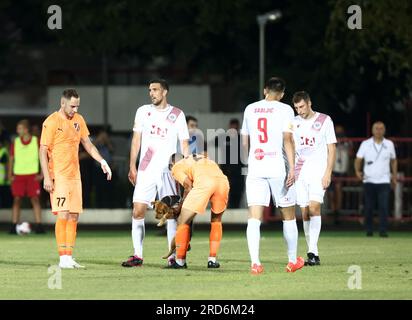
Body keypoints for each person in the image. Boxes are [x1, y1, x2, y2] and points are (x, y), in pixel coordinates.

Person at [39, 88, 112, 269]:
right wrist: (47, 177)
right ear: (62, 103)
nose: (75, 110)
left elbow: (87, 144)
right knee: (63, 214)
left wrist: (102, 161)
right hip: (59, 176)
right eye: (72, 106)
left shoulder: (79, 120)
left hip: (74, 176)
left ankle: (69, 256)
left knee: (73, 216)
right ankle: (62, 257)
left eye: (77, 106)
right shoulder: (51, 121)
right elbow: (42, 150)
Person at [121, 79, 189, 268]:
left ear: (165, 91)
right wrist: (132, 166)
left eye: (156, 90)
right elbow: (136, 140)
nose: (152, 93)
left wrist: (187, 168)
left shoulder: (177, 114)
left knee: (171, 213)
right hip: (146, 168)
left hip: (168, 171)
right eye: (150, 90)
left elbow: (184, 143)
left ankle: (172, 257)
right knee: (138, 210)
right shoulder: (143, 111)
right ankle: (137, 255)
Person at [241, 77, 303, 275]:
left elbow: (244, 142)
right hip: (277, 167)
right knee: (288, 215)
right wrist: (292, 168)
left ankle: (255, 264)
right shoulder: (285, 110)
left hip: (255, 168)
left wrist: (250, 161)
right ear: (283, 94)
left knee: (254, 217)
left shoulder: (250, 108)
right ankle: (292, 261)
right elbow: (288, 140)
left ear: (265, 90)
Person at [291, 91, 337, 266]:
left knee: (314, 208)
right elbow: (291, 146)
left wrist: (328, 173)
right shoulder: (294, 123)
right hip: (300, 171)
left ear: (309, 103)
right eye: (296, 108)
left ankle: (313, 250)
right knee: (304, 212)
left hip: (318, 171)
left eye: (301, 106)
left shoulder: (325, 120)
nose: (299, 111)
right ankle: (312, 253)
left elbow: (331, 148)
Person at [168, 152, 230, 269]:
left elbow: (188, 185)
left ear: (172, 163)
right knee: (216, 220)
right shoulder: (201, 156)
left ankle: (180, 261)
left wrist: (180, 206)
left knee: (182, 220)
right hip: (222, 182)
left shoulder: (176, 166)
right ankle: (212, 260)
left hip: (205, 182)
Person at [354, 121, 397, 237]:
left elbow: (393, 161)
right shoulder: (365, 143)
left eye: (381, 128)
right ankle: (369, 229)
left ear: (384, 130)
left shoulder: (389, 144)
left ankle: (383, 230)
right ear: (372, 130)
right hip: (369, 180)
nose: (379, 130)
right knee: (368, 207)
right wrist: (357, 171)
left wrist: (394, 176)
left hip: (384, 180)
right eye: (376, 128)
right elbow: (358, 159)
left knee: (384, 206)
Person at [8, 119, 44, 234]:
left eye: (19, 128)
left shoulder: (36, 141)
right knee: (17, 200)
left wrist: (43, 174)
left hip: (32, 175)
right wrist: (10, 174)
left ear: (26, 129)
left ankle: (39, 226)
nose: (17, 131)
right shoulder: (16, 142)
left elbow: (43, 158)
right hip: (18, 176)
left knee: (35, 200)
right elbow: (11, 160)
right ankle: (14, 226)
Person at [328, 124, 352, 224]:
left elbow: (351, 153)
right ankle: (333, 210)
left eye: (340, 131)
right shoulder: (329, 140)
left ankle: (337, 211)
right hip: (331, 169)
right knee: (330, 193)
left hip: (341, 169)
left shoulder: (347, 142)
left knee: (338, 189)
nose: (338, 133)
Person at [219, 118, 245, 208]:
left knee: (237, 193)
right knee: (225, 193)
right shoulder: (223, 138)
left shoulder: (241, 139)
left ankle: (235, 210)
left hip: (238, 172)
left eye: (235, 127)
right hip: (226, 171)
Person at [0, 137, 12, 209]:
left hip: (4, 180)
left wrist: (6, 175)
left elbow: (7, 165)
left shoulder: (3, 151)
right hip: (1, 180)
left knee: (5, 197)